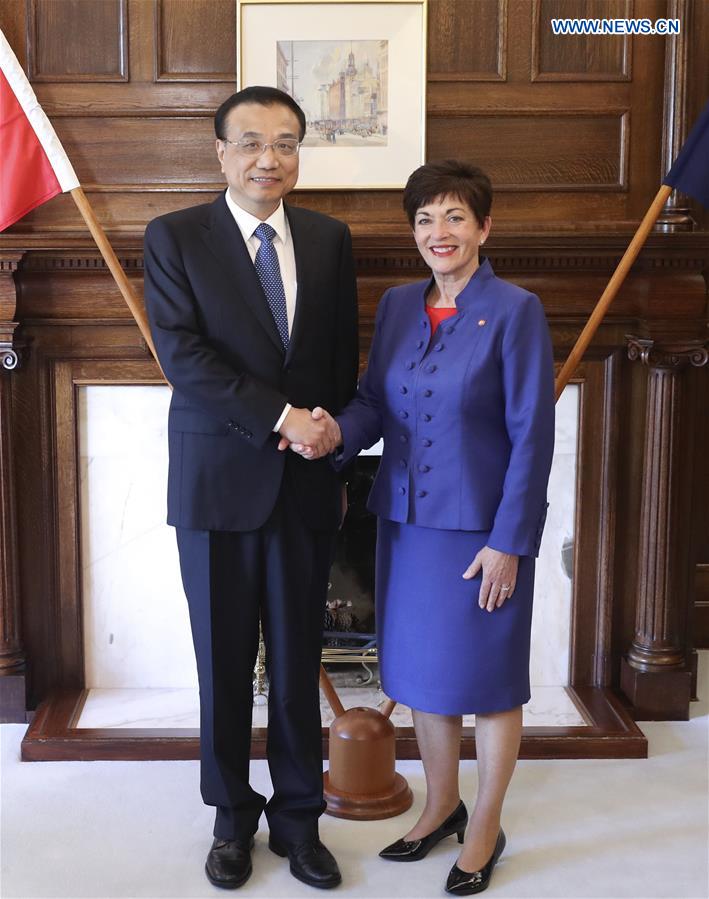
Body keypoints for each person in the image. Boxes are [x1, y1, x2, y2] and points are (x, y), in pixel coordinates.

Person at [291, 160, 554, 895]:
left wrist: (510, 539)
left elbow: (532, 434)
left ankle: (483, 827)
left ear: (483, 228)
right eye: (425, 219)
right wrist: (331, 432)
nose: (439, 233)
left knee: (491, 682)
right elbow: (375, 403)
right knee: (423, 679)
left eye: (454, 217)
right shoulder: (401, 303)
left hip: (480, 532)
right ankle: (439, 804)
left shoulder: (514, 309)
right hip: (404, 523)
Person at [143, 86, 358, 891]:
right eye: (253, 142)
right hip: (215, 485)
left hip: (303, 487)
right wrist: (283, 417)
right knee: (223, 664)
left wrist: (329, 435)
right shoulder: (175, 237)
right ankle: (231, 818)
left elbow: (338, 360)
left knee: (300, 662)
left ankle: (299, 820)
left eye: (288, 142)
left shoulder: (331, 240)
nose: (271, 158)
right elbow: (184, 358)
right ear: (221, 153)